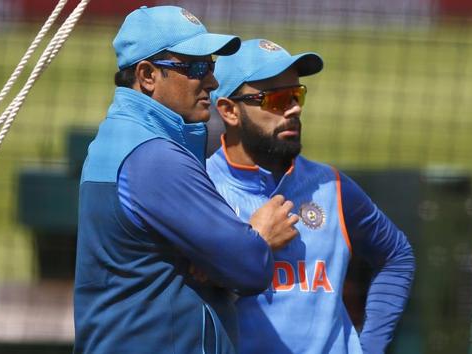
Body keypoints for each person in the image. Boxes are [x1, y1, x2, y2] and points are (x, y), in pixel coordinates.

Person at [73, 8, 299, 354]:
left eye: (210, 67)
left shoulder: (121, 137)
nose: (210, 81)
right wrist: (260, 239)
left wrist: (215, 258)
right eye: (194, 68)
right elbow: (249, 266)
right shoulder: (154, 157)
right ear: (147, 76)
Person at [207, 38, 416, 354]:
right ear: (229, 111)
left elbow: (397, 255)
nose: (293, 108)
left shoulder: (331, 186)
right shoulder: (201, 188)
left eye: (296, 94)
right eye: (276, 100)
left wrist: (370, 347)